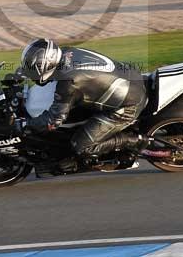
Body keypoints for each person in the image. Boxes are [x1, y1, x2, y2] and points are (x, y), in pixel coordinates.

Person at [18, 39, 149, 165]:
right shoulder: (65, 52)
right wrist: (20, 73)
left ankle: (133, 141)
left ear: (45, 65)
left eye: (32, 69)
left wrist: (26, 125)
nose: (31, 72)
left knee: (81, 147)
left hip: (128, 105)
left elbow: (54, 120)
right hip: (131, 78)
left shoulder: (68, 83)